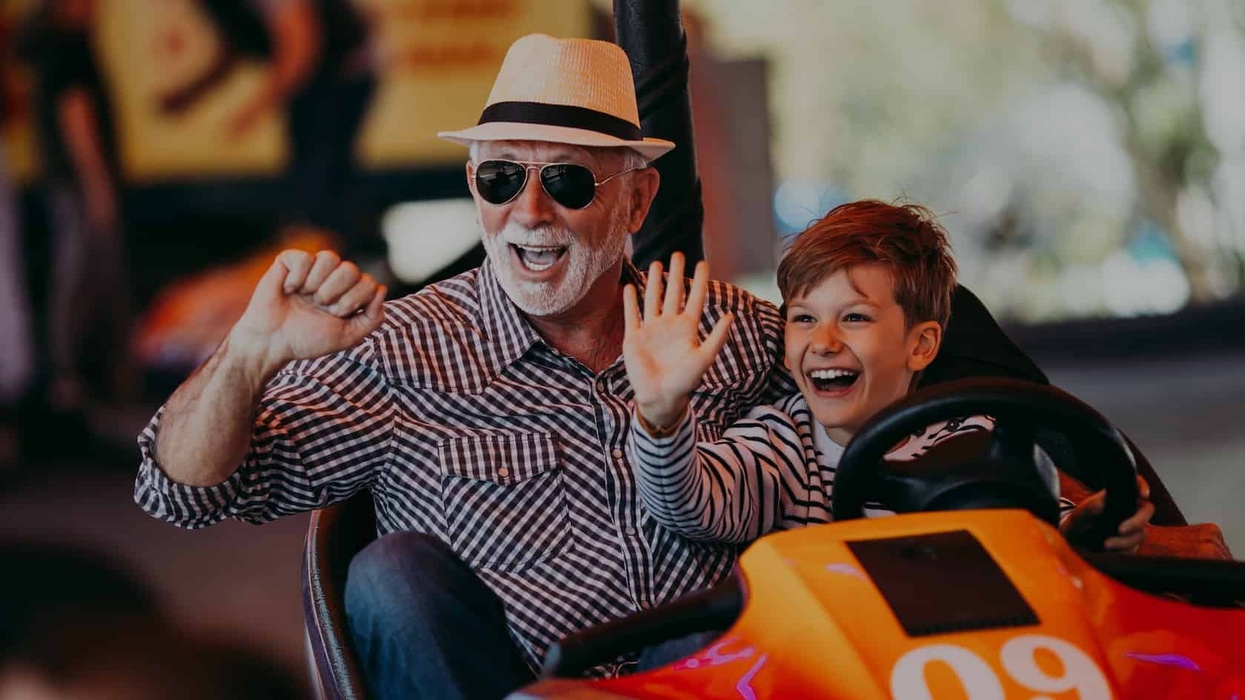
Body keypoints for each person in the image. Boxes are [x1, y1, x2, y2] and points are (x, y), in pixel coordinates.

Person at [134, 34, 787, 698]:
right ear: (474, 186)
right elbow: (181, 493)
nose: (528, 212)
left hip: (697, 681)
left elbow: (868, 418)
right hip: (499, 684)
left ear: (637, 201)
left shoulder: (730, 333)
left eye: (567, 180)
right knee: (392, 574)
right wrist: (248, 354)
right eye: (501, 178)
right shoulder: (399, 346)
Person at [623, 200, 1154, 548]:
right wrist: (662, 417)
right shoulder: (782, 447)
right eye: (804, 319)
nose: (824, 341)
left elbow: (1034, 523)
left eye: (854, 318)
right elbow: (690, 501)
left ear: (920, 345)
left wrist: (1082, 528)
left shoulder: (974, 435)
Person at [159, 0, 378, 250]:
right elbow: (235, 46)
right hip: (321, 71)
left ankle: (335, 252)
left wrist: (255, 109)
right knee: (308, 171)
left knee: (321, 171)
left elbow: (302, 47)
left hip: (345, 68)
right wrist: (192, 93)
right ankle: (317, 246)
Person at [17, 0, 133, 419]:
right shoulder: (69, 48)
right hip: (78, 185)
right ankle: (70, 383)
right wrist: (99, 186)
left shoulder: (49, 48)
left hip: (63, 183)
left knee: (75, 277)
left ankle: (72, 381)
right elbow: (77, 119)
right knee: (82, 278)